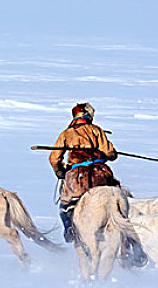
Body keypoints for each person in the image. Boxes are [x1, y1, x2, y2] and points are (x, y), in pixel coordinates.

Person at [49, 102, 120, 242]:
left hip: (77, 177)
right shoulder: (96, 130)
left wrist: (60, 171)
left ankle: (70, 230)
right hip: (100, 172)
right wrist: (111, 155)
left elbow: (54, 158)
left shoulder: (66, 134)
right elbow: (109, 152)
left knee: (65, 203)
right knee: (118, 194)